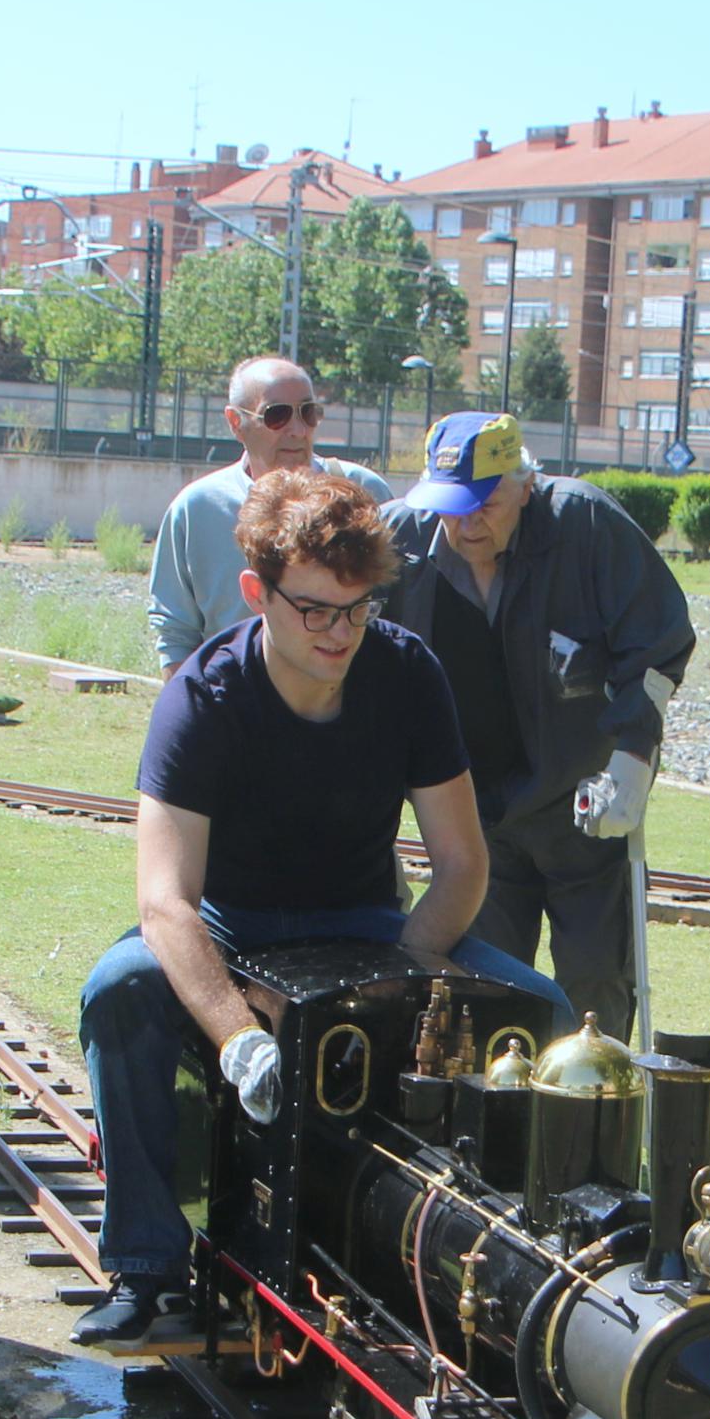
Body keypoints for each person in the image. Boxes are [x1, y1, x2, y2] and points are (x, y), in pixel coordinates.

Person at [75, 467, 567, 1356]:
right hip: (230, 920)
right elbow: (165, 904)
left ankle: (523, 1286)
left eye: (358, 609)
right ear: (256, 593)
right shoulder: (202, 695)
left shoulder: (408, 674)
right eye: (314, 611)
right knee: (120, 993)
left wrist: (408, 971)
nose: (339, 633)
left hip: (369, 923)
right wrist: (240, 1038)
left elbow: (461, 864)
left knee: (547, 1014)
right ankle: (146, 1270)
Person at [379, 411, 695, 1038]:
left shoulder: (585, 523)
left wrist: (633, 760)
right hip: (472, 817)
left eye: (485, 503)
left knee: (595, 987)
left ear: (525, 482)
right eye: (451, 505)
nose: (466, 525)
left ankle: (588, 1128)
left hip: (583, 808)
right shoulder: (400, 538)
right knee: (486, 992)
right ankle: (499, 1129)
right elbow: (355, 654)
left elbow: (659, 644)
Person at [145, 354, 390, 665]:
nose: (298, 430)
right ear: (236, 423)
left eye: (308, 413)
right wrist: (190, 710)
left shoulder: (365, 492)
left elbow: (395, 610)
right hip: (234, 705)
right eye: (277, 416)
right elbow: (176, 634)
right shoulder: (197, 508)